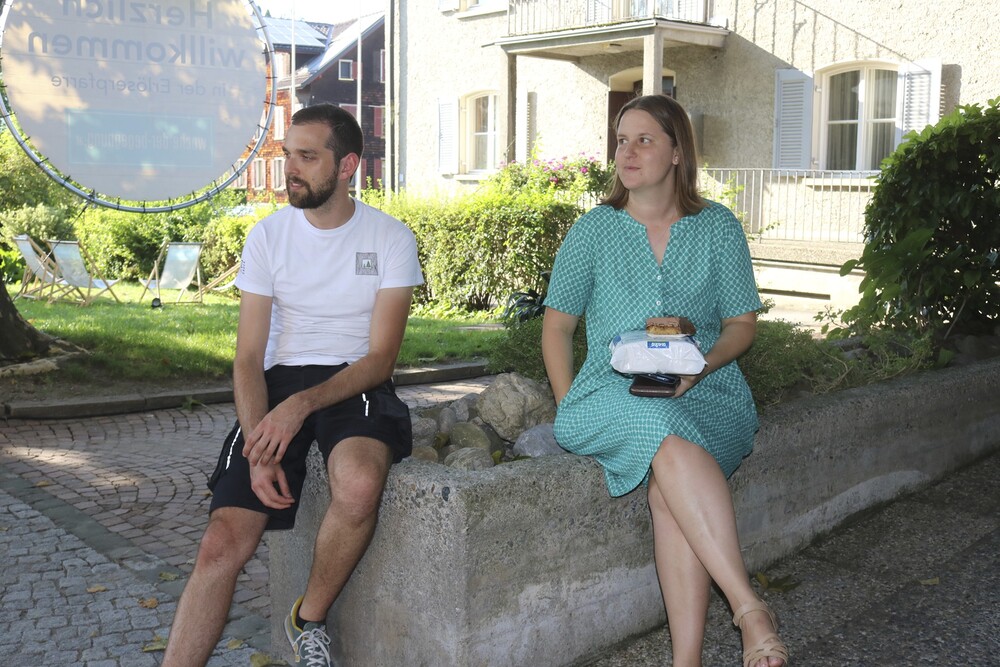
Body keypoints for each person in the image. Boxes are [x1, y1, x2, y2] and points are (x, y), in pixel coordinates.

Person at [162, 103, 423, 667]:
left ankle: (309, 618)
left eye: (307, 156)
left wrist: (302, 406)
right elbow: (248, 357)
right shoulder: (268, 237)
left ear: (347, 165)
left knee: (359, 486)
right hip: (277, 382)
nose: (291, 170)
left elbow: (381, 359)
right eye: (288, 156)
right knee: (220, 544)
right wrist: (259, 447)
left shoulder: (391, 238)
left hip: (354, 380)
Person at [541, 94, 788, 667]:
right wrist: (568, 402)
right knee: (662, 430)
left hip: (709, 390)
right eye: (621, 141)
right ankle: (749, 608)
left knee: (666, 490)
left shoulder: (717, 227)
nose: (626, 152)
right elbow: (557, 329)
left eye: (644, 140)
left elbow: (741, 325)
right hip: (611, 393)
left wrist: (701, 368)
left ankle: (687, 661)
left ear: (677, 152)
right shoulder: (593, 231)